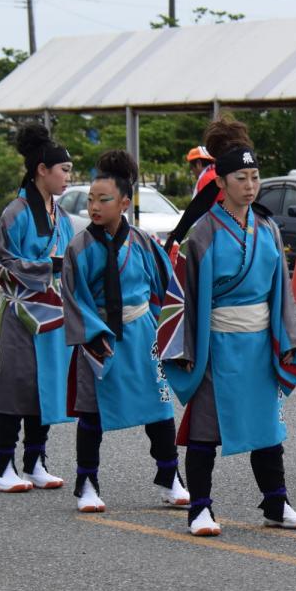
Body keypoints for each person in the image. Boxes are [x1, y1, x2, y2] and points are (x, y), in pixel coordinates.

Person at [157, 118, 296, 537]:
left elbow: (281, 292)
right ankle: (200, 508)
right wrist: (190, 348)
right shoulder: (202, 233)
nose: (250, 185)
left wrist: (286, 340)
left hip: (259, 342)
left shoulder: (266, 228)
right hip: (216, 345)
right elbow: (183, 298)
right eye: (240, 178)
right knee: (206, 428)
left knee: (266, 428)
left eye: (255, 176)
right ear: (220, 182)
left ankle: (276, 503)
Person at [62, 150, 188, 513]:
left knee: (159, 408)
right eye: (89, 200)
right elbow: (74, 298)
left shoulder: (144, 242)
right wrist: (94, 336)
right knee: (91, 414)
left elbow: (168, 290)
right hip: (98, 338)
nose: (94, 207)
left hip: (142, 333)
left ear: (124, 203)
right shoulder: (79, 247)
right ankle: (87, 483)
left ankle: (170, 478)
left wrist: (173, 332)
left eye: (104, 200)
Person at [0, 123, 76, 493]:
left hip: (54, 315)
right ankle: (1, 465)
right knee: (15, 384)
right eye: (64, 170)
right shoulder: (16, 212)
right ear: (42, 170)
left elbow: (71, 265)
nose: (69, 177)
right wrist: (46, 268)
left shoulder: (65, 218)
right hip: (21, 313)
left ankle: (36, 460)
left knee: (47, 385)